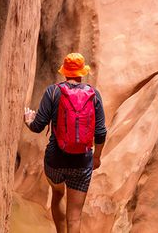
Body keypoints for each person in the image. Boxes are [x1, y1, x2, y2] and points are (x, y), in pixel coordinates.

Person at [24, 53, 107, 233]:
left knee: (58, 193)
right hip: (82, 163)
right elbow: (101, 132)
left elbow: (38, 126)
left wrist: (28, 120)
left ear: (65, 72)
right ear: (82, 73)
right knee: (75, 217)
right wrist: (97, 157)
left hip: (55, 160)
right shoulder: (94, 95)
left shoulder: (53, 92)